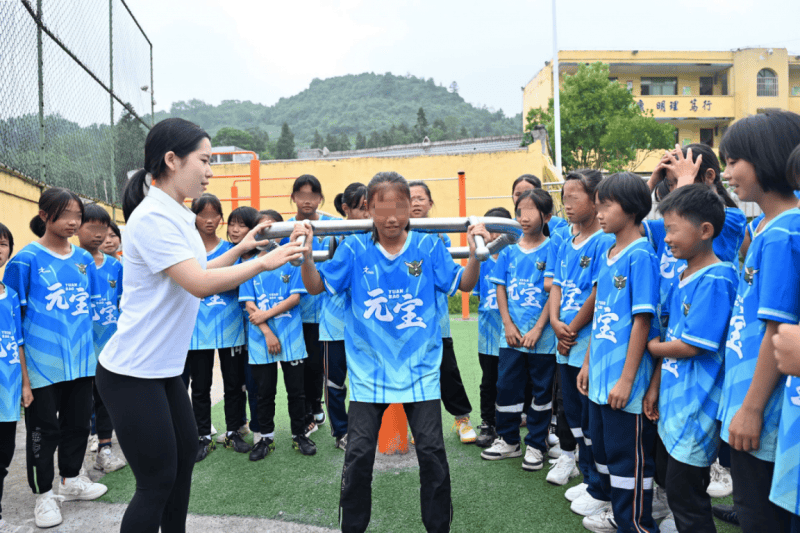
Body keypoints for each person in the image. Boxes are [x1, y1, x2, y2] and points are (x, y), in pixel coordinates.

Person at [94, 117, 302, 533]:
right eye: (204, 160)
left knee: (184, 456)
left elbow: (198, 267)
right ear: (172, 160)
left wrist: (243, 248)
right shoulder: (152, 217)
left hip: (163, 370)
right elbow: (199, 285)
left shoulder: (174, 213)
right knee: (155, 482)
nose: (210, 171)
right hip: (132, 372)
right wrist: (262, 262)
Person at [291, 171, 489, 533]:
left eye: (400, 207)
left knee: (431, 453)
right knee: (359, 454)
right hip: (370, 372)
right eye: (382, 209)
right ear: (368, 209)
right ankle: (352, 527)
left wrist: (476, 253)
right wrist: (306, 255)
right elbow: (317, 286)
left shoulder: (428, 246)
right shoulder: (354, 248)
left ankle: (437, 527)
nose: (392, 217)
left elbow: (463, 283)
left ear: (410, 209)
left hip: (420, 369)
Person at [2, 188, 109, 529]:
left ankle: (71, 479)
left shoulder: (83, 260)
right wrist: (23, 374)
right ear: (45, 215)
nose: (73, 222)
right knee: (43, 431)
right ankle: (43, 495)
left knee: (78, 424)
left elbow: (90, 312)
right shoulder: (24, 261)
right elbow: (12, 319)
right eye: (66, 215)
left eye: (77, 215)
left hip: (80, 361)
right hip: (41, 364)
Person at [716, 111, 800, 533]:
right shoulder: (765, 225)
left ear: (768, 157)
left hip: (763, 408)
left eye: (734, 162)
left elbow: (776, 329)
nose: (728, 173)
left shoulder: (786, 232)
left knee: (760, 515)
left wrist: (750, 408)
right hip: (748, 397)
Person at [644, 185, 738, 533]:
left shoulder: (717, 277)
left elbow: (693, 345)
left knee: (687, 494)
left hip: (697, 405)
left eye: (672, 229)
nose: (666, 238)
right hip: (674, 400)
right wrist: (654, 386)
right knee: (672, 482)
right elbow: (673, 336)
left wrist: (650, 347)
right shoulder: (683, 275)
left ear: (705, 231)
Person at [576, 172, 660, 533]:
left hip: (628, 383)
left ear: (631, 208)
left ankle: (637, 525)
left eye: (606, 205)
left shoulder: (641, 254)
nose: (599, 213)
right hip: (600, 376)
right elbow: (601, 314)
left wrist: (627, 380)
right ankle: (618, 513)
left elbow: (642, 321)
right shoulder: (608, 252)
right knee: (605, 452)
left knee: (630, 460)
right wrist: (588, 362)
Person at [547, 170, 615, 492]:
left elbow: (599, 292)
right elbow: (556, 287)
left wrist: (570, 329)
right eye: (565, 198)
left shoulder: (604, 240)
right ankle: (585, 475)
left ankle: (596, 483)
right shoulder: (566, 242)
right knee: (571, 411)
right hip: (564, 342)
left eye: (575, 197)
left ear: (596, 198)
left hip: (584, 341)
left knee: (590, 418)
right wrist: (555, 323)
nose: (568, 204)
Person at [482, 188, 556, 472]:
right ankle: (508, 440)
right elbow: (500, 288)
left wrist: (539, 328)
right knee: (506, 386)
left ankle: (536, 445)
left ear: (546, 216)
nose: (523, 217)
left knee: (540, 391)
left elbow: (554, 293)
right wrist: (508, 325)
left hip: (543, 337)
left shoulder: (553, 249)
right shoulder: (509, 251)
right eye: (520, 210)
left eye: (531, 211)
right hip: (510, 336)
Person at [241, 209, 315, 459]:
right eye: (264, 230)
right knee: (264, 393)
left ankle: (299, 434)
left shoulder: (293, 260)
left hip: (292, 338)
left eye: (275, 230)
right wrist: (266, 330)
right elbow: (249, 305)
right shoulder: (248, 265)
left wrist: (265, 315)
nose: (271, 236)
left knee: (297, 391)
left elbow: (295, 298)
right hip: (262, 340)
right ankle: (266, 439)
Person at [408, 180, 476, 444]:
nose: (415, 203)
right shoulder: (396, 234)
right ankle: (418, 425)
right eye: (410, 198)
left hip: (435, 321)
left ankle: (462, 419)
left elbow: (449, 276)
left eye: (420, 198)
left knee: (447, 372)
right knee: (413, 376)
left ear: (430, 203)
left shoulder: (439, 236)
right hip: (407, 323)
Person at [184, 194, 250, 462]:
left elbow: (241, 281)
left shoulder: (231, 249)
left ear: (220, 218)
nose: (209, 220)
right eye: (203, 214)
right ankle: (202, 435)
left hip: (230, 326)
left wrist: (211, 280)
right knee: (200, 386)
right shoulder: (186, 251)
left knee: (234, 384)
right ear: (194, 218)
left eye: (214, 215)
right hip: (196, 330)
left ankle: (234, 431)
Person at [284, 175, 338, 435]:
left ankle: (316, 403)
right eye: (301, 194)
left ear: (320, 199)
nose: (307, 200)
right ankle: (307, 409)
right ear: (293, 197)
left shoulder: (334, 226)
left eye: (313, 195)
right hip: (297, 311)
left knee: (319, 365)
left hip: (328, 309)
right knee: (301, 364)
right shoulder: (284, 230)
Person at [75, 203, 126, 474]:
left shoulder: (115, 267)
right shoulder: (71, 262)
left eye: (103, 228)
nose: (99, 234)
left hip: (109, 346)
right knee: (79, 406)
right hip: (79, 348)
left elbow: (122, 304)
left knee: (105, 398)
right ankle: (73, 466)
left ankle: (105, 451)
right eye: (91, 227)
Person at [320, 182, 370, 451]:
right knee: (335, 382)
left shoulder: (378, 236)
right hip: (336, 325)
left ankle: (365, 428)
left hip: (367, 324)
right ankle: (342, 431)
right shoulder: (335, 237)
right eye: (362, 208)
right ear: (345, 208)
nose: (367, 214)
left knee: (366, 378)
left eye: (370, 208)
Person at [0, 223, 34, 533]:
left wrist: (25, 383)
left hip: (8, 390)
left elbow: (18, 340)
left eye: (2, 243)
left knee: (3, 456)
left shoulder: (9, 294)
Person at [473, 207, 512, 448]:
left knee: (511, 381)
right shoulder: (483, 258)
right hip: (488, 334)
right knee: (489, 381)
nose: (496, 234)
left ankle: (510, 421)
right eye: (491, 229)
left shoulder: (515, 256)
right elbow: (479, 295)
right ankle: (488, 422)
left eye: (501, 229)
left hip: (511, 333)